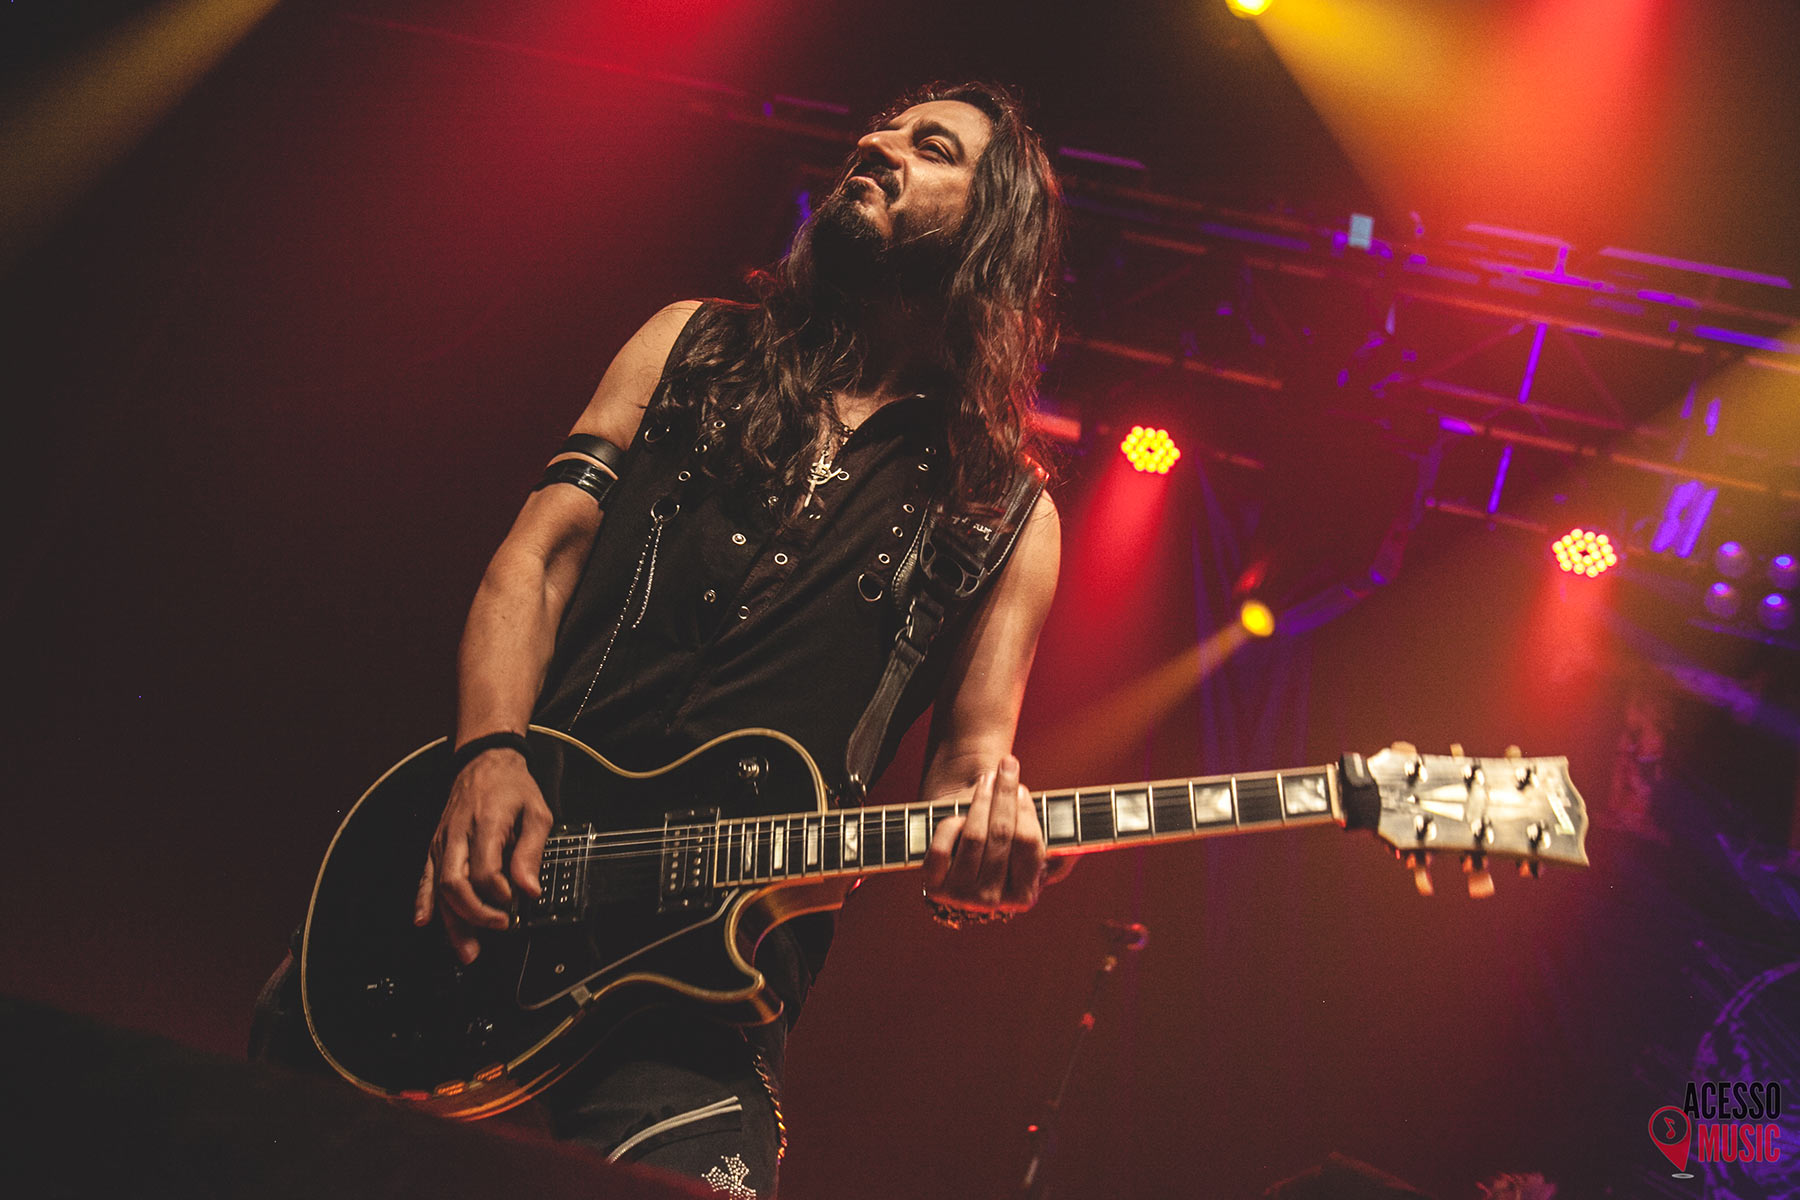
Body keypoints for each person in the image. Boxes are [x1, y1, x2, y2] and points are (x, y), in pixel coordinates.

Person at [410, 80, 1066, 1197]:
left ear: (991, 229)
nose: (877, 142)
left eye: (931, 146)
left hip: (706, 1010)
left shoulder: (1007, 513)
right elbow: (539, 556)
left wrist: (983, 864)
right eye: (882, 126)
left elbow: (970, 771)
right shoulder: (689, 343)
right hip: (497, 886)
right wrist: (489, 752)